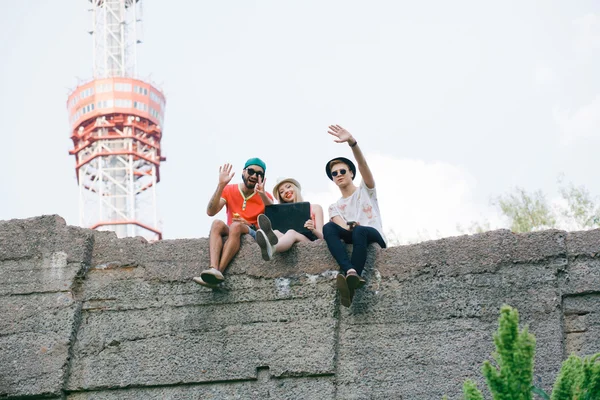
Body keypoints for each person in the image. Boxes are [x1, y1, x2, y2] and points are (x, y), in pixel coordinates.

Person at [322, 125, 387, 307]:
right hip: (354, 234)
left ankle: (351, 280)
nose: (339, 175)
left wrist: (352, 143)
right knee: (328, 227)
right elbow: (339, 226)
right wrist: (348, 227)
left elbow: (363, 165)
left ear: (351, 172)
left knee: (360, 231)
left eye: (342, 171)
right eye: (335, 174)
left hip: (372, 235)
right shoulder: (334, 206)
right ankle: (350, 271)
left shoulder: (366, 191)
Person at [193, 158, 273, 288]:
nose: (254, 176)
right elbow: (210, 211)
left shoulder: (265, 195)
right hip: (233, 229)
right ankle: (213, 268)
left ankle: (219, 272)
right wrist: (221, 185)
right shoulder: (230, 190)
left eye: (259, 174)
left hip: (252, 231)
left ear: (263, 178)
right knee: (217, 223)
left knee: (236, 226)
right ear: (243, 172)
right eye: (251, 171)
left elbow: (271, 222)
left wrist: (262, 195)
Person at [255, 178, 324, 261]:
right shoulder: (283, 214)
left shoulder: (315, 208)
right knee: (276, 232)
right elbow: (271, 207)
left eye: (288, 187)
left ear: (296, 188)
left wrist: (313, 230)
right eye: (281, 192)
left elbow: (322, 238)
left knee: (291, 232)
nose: (286, 191)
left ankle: (271, 248)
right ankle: (269, 241)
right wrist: (263, 194)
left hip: (309, 242)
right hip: (287, 240)